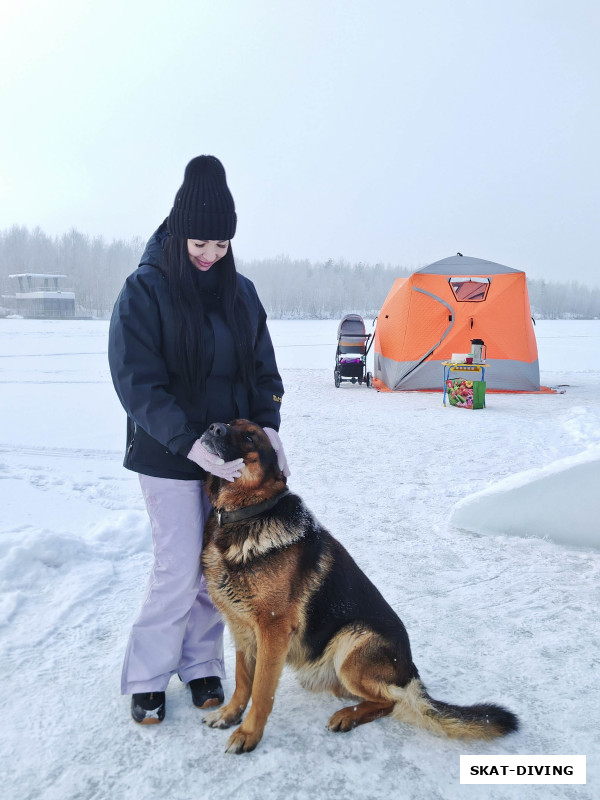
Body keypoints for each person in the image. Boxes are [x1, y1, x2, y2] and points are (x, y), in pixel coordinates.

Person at [108, 155, 288, 724]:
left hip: (229, 462)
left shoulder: (242, 294)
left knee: (221, 565)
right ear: (179, 232)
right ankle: (147, 675)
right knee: (179, 566)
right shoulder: (144, 290)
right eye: (200, 245)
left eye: (221, 245)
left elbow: (262, 370)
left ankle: (202, 664)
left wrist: (271, 430)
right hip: (167, 454)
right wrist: (187, 440)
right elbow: (136, 380)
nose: (210, 256)